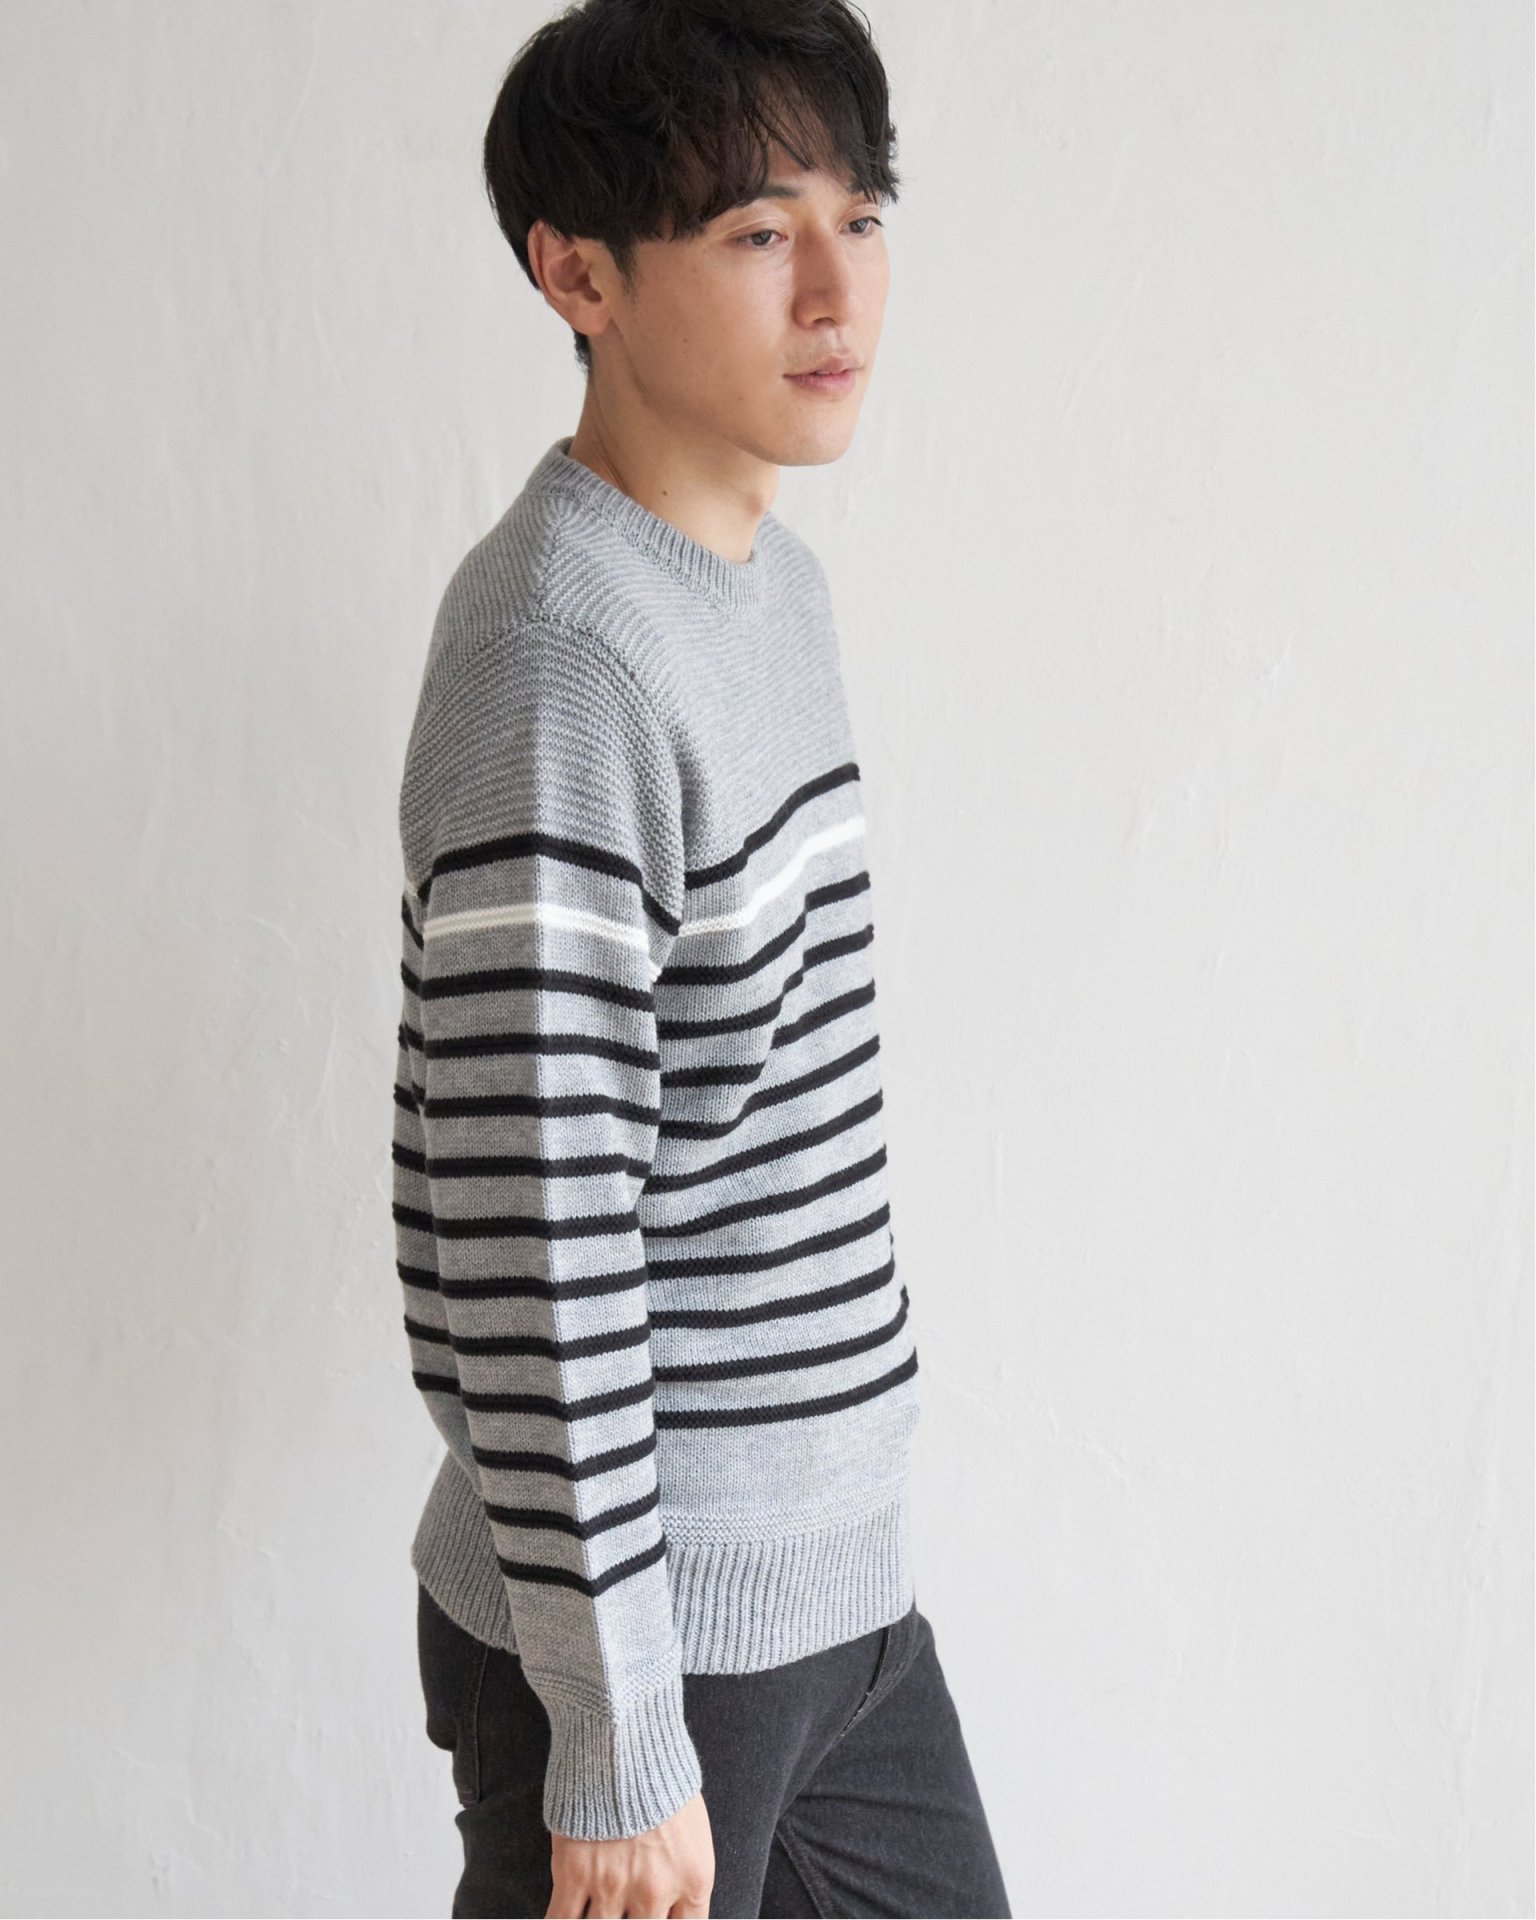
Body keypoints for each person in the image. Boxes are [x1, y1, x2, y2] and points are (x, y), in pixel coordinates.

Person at [391, 2, 1012, 1913]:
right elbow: (534, 1243)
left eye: (861, 215)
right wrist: (617, 1732)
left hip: (836, 1608)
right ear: (576, 275)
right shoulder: (562, 659)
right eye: (758, 232)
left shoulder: (767, 594)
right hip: (649, 1654)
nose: (837, 287)